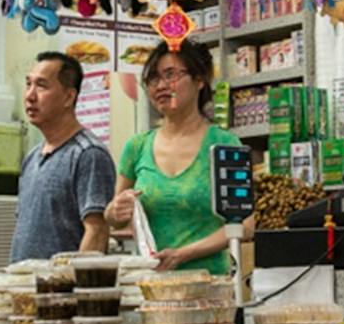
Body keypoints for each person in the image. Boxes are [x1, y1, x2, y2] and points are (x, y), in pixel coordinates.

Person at [104, 40, 248, 274]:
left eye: (170, 75)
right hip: (152, 287)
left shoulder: (223, 144)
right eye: (153, 79)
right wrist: (115, 211)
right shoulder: (137, 147)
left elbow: (244, 224)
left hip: (210, 286)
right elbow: (113, 217)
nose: (160, 86)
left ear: (199, 80)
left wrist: (184, 255)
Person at [10, 52, 113, 263]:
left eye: (41, 86)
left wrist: (79, 289)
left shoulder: (89, 154)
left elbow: (97, 231)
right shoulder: (32, 157)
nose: (30, 95)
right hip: (25, 288)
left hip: (61, 291)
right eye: (28, 84)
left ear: (69, 97)